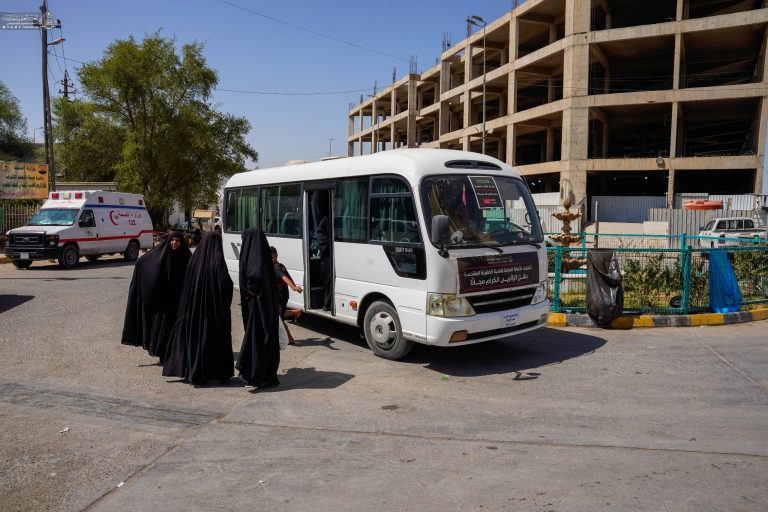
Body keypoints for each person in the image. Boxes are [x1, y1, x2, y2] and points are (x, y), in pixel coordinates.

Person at [162, 231, 234, 385]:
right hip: (214, 312)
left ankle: (195, 373)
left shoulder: (194, 261)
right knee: (215, 341)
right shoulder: (217, 262)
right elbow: (225, 285)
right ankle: (219, 373)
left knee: (197, 340)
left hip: (194, 311)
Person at [121, 231, 191, 363]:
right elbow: (146, 262)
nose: (174, 243)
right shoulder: (163, 255)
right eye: (172, 240)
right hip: (164, 302)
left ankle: (177, 356)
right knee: (163, 330)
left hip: (180, 302)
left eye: (177, 240)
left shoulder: (186, 258)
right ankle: (163, 355)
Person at [236, 228, 281, 388]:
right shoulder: (264, 258)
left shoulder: (255, 260)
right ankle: (267, 375)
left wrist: (249, 289)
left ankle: (254, 375)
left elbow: (254, 277)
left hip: (257, 307)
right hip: (266, 305)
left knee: (256, 339)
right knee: (266, 337)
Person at [271, 246, 302, 343]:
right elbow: (288, 277)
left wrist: (293, 287)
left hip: (280, 295)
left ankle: (288, 338)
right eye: (270, 256)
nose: (272, 258)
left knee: (278, 318)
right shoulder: (280, 265)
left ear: (276, 255)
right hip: (280, 294)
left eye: (273, 256)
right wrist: (294, 285)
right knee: (275, 314)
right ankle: (295, 312)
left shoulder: (276, 267)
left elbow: (284, 277)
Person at [316, 216, 333, 310]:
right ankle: (327, 303)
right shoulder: (326, 219)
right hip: (328, 256)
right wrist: (330, 242)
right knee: (328, 279)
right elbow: (320, 234)